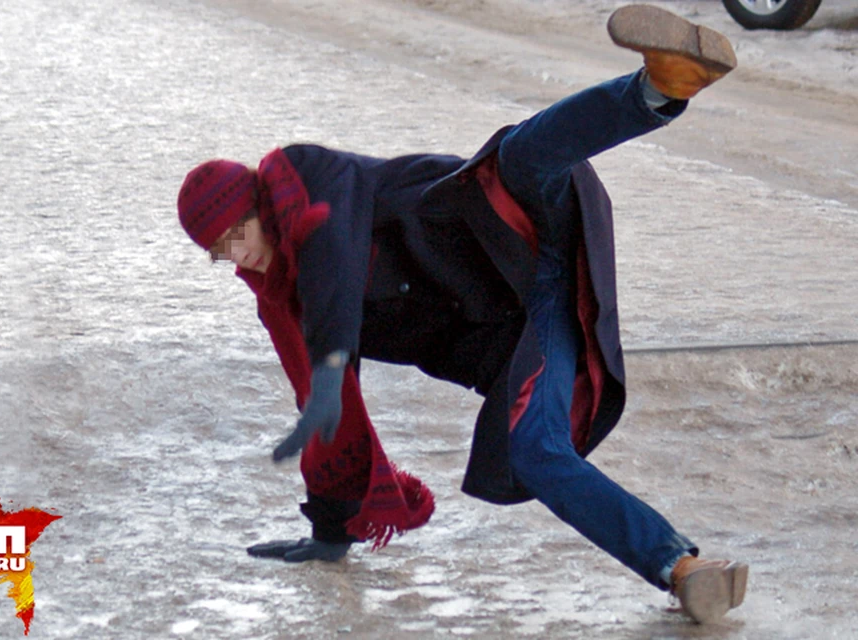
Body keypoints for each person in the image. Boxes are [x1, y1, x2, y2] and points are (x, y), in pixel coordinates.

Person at [176, 4, 748, 624]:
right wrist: (331, 529)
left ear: (259, 203)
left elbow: (331, 268)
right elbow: (324, 406)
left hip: (516, 229)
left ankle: (660, 87)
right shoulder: (286, 303)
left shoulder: (306, 178)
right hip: (533, 327)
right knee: (534, 452)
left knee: (521, 153)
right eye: (218, 252)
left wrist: (331, 357)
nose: (236, 256)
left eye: (236, 232)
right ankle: (684, 570)